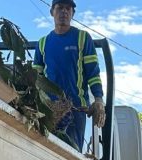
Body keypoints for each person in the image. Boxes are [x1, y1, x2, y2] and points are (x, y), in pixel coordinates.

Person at [33, 0, 105, 151]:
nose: (64, 12)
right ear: (52, 11)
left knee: (71, 155)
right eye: (60, 8)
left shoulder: (83, 38)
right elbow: (36, 77)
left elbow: (93, 72)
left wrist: (98, 99)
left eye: (68, 8)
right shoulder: (43, 43)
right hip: (48, 110)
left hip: (75, 110)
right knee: (44, 151)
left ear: (73, 13)